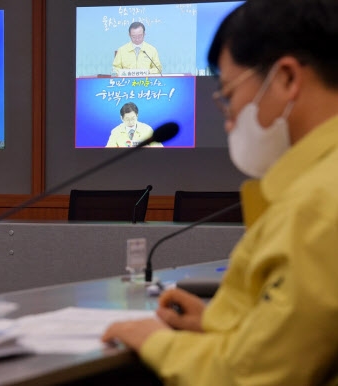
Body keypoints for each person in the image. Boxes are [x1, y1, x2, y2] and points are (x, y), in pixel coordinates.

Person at [101, 0, 338, 384]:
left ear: (286, 79)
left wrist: (156, 341)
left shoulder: (318, 203)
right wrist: (223, 322)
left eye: (228, 95)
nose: (228, 123)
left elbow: (256, 375)